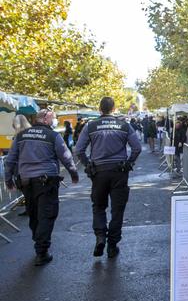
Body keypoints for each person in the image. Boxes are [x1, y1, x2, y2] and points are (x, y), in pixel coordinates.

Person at [4, 109, 79, 266]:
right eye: (53, 118)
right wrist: (73, 173)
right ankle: (41, 251)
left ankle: (38, 239)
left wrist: (8, 180)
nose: (54, 121)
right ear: (45, 119)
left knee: (34, 213)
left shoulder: (21, 136)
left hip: (26, 182)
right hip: (46, 181)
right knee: (47, 214)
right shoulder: (52, 136)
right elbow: (65, 156)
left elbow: (10, 159)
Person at [75, 97, 141, 259]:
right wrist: (129, 162)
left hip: (98, 172)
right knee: (117, 209)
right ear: (114, 108)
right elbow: (137, 147)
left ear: (100, 108)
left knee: (98, 206)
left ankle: (100, 237)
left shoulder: (90, 126)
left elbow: (79, 150)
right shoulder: (124, 126)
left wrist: (88, 165)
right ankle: (112, 245)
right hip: (119, 171)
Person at [11, 114, 32, 217]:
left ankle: (30, 209)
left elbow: (13, 156)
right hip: (34, 168)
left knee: (27, 192)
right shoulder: (32, 135)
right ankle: (31, 209)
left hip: (22, 169)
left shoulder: (18, 137)